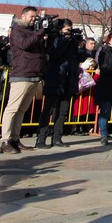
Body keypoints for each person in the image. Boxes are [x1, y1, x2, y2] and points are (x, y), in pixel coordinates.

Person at [3, 6, 49, 154]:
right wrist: (40, 32)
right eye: (31, 17)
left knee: (22, 109)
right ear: (23, 16)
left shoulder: (32, 32)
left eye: (35, 17)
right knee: (13, 108)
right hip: (21, 74)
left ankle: (15, 139)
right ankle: (5, 140)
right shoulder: (17, 30)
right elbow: (24, 44)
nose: (33, 19)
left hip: (34, 74)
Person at [35, 19, 78, 148]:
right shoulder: (54, 39)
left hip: (68, 78)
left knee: (63, 111)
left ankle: (57, 138)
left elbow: (76, 57)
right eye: (67, 30)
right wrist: (64, 39)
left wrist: (74, 42)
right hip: (55, 77)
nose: (69, 32)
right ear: (60, 29)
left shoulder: (72, 41)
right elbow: (54, 54)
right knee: (48, 109)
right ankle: (41, 139)